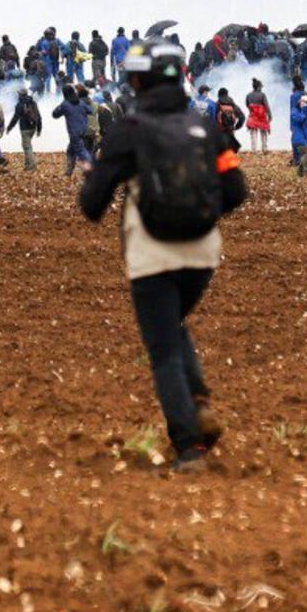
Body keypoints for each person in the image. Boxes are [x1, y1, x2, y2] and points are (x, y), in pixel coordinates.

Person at [79, 40, 247, 472]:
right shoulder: (205, 128)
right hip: (203, 252)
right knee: (172, 326)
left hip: (152, 254)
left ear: (138, 81)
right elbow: (236, 190)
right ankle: (199, 401)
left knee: (163, 349)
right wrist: (198, 212)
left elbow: (92, 205)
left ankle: (190, 446)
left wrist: (97, 176)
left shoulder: (129, 130)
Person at [50, 84, 95, 176]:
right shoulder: (81, 102)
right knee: (70, 150)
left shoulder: (65, 104)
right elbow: (91, 110)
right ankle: (69, 171)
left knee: (81, 151)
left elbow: (55, 114)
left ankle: (94, 168)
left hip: (74, 132)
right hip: (83, 130)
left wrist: (62, 105)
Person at [7, 86, 43, 170]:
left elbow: (15, 118)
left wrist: (9, 128)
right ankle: (27, 165)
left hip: (24, 128)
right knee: (27, 145)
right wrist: (39, 129)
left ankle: (31, 166)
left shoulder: (19, 105)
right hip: (33, 127)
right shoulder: (33, 102)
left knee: (27, 147)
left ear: (20, 95)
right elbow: (38, 116)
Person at [246, 78, 271, 154]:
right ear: (258, 87)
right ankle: (264, 148)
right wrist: (269, 115)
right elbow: (266, 106)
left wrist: (253, 109)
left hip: (253, 115)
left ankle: (254, 149)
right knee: (263, 132)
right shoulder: (262, 95)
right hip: (262, 116)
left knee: (253, 133)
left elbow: (247, 105)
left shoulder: (248, 95)